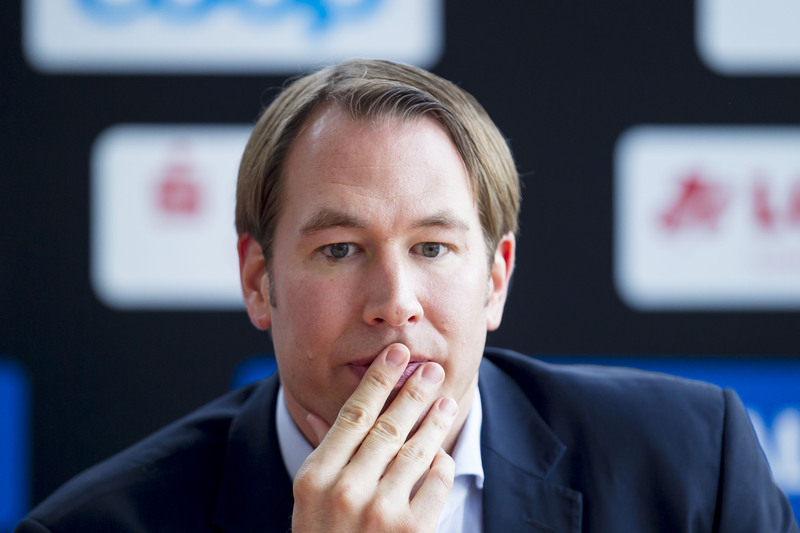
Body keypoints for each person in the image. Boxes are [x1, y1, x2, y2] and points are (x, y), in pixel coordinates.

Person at [17, 59, 798, 532]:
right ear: (258, 280)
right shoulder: (95, 525)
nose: (394, 302)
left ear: (495, 279)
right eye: (340, 249)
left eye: (432, 247)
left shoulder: (696, 465)